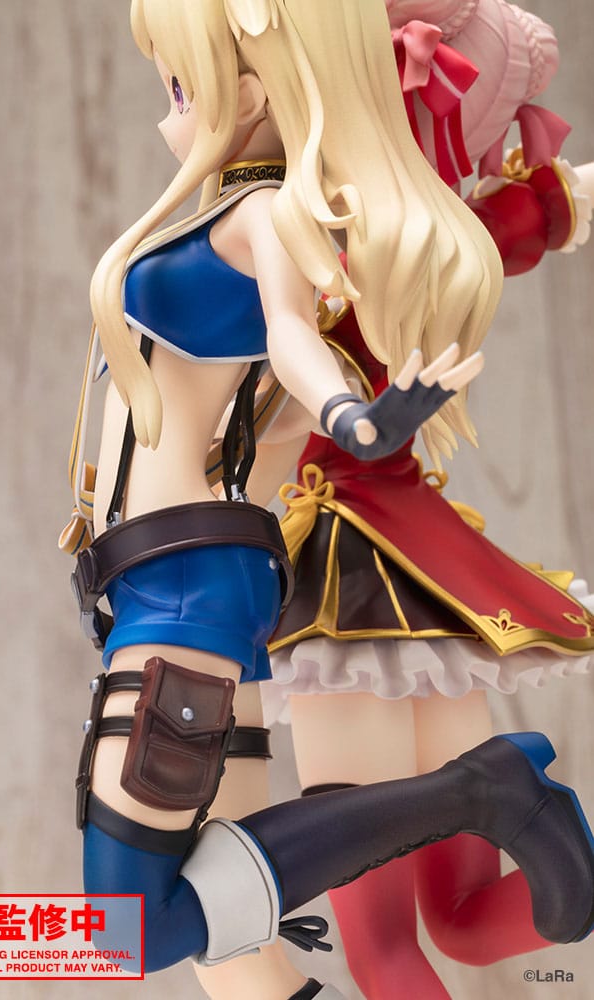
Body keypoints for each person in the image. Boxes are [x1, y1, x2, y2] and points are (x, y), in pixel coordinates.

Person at [63, 2, 594, 997]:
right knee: (229, 948)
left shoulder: (265, 214)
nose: (168, 114)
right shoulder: (220, 212)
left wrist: (353, 418)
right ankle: (472, 795)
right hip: (159, 584)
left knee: (125, 929)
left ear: (252, 93)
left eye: (182, 87)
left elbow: (292, 334)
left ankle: (479, 791)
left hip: (186, 584)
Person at [251, 2, 594, 997]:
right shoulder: (431, 232)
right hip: (428, 579)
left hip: (344, 595)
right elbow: (525, 220)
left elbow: (266, 421)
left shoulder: (286, 232)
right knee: (459, 920)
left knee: (386, 947)